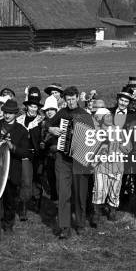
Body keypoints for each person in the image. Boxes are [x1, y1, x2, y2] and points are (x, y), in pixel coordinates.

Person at [48, 86, 95, 239]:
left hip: (80, 159)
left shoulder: (85, 115)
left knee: (80, 195)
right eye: (68, 100)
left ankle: (80, 223)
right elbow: (47, 124)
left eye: (73, 99)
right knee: (63, 193)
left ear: (77, 98)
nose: (70, 102)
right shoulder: (61, 113)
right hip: (63, 159)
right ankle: (64, 227)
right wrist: (51, 130)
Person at [0, 99, 31, 243]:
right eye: (5, 112)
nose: (7, 115)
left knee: (10, 201)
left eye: (10, 113)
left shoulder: (21, 130)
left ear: (15, 114)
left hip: (12, 171)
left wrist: (12, 147)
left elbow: (25, 153)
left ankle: (8, 224)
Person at [90, 99, 131, 226]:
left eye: (109, 115)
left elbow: (128, 148)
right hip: (101, 165)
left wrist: (122, 146)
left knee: (115, 189)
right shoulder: (95, 132)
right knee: (99, 189)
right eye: (104, 116)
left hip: (117, 164)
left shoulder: (119, 130)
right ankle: (96, 213)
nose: (108, 118)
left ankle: (112, 211)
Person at [16, 95, 43, 220]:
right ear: (27, 106)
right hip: (24, 154)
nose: (33, 109)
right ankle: (23, 207)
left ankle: (37, 201)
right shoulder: (19, 120)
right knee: (26, 180)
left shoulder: (41, 121)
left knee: (37, 179)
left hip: (37, 155)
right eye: (31, 106)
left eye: (35, 106)